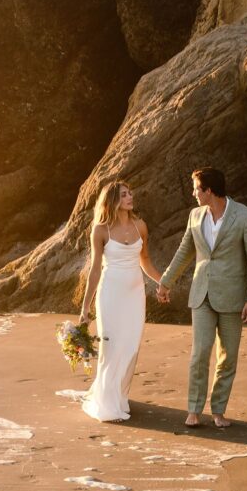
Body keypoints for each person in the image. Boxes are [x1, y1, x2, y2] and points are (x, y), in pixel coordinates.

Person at [157, 167, 247, 429]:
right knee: (200, 353)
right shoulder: (195, 215)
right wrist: (165, 282)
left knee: (228, 357)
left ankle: (218, 411)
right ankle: (194, 409)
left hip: (232, 296)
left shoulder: (246, 217)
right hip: (201, 294)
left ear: (209, 190)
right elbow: (185, 251)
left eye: (196, 189)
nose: (193, 194)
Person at [79, 180, 163, 422]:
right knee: (111, 345)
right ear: (113, 200)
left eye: (130, 193)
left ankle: (120, 395)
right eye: (124, 195)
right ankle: (108, 401)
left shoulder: (140, 226)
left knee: (131, 346)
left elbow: (145, 260)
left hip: (134, 294)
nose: (130, 197)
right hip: (110, 294)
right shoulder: (101, 230)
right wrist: (85, 307)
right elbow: (95, 269)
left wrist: (162, 281)